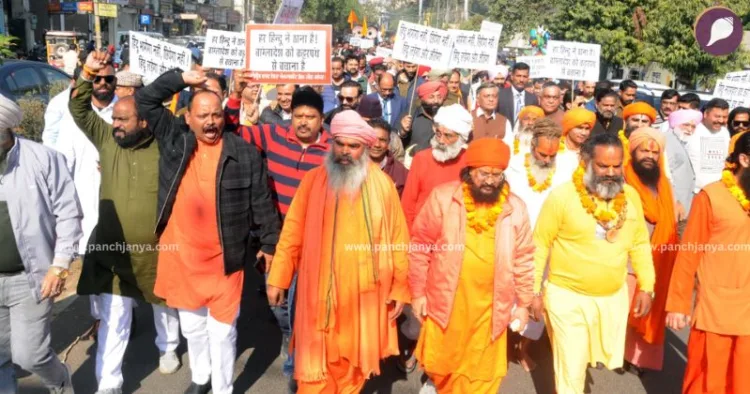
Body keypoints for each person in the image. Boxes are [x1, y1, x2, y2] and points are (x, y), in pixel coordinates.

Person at [137, 67, 281, 394]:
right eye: (203, 116)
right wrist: (181, 79)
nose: (211, 122)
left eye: (216, 114)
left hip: (225, 261)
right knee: (193, 328)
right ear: (188, 118)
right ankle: (200, 378)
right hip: (182, 258)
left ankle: (222, 388)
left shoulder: (244, 153)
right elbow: (145, 100)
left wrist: (269, 244)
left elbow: (261, 203)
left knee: (222, 332)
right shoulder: (175, 140)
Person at [266, 110, 410, 393]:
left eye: (353, 146)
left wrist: (400, 288)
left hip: (363, 297)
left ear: (366, 148)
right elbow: (292, 232)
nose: (345, 151)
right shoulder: (313, 180)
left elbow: (398, 240)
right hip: (317, 294)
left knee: (351, 371)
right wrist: (278, 277)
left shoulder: (383, 186)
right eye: (339, 144)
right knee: (313, 374)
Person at [70, 52, 182, 394]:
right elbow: (79, 109)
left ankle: (168, 348)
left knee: (164, 306)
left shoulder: (164, 146)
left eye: (123, 120)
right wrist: (89, 71)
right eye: (115, 119)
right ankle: (109, 382)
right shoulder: (106, 140)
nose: (116, 124)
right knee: (114, 318)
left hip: (156, 251)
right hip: (113, 253)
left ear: (144, 122)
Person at [532, 133, 655, 394]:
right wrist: (532, 292)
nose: (610, 172)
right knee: (571, 367)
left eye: (616, 165)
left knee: (590, 359)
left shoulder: (630, 196)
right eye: (602, 165)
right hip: (567, 298)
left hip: (611, 299)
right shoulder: (562, 197)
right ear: (585, 162)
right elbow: (540, 244)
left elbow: (640, 244)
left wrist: (647, 286)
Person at [408, 138, 534, 393]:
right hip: (447, 303)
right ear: (469, 172)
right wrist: (418, 293)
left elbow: (524, 258)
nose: (490, 181)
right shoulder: (444, 198)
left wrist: (523, 305)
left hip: (491, 308)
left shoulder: (515, 208)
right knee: (442, 366)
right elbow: (420, 245)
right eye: (484, 173)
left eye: (497, 175)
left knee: (483, 376)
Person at [0, 94, 80, 394]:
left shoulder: (43, 159)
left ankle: (60, 381)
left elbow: (69, 214)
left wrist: (59, 267)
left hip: (31, 278)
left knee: (29, 355)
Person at [666, 131, 750, 394]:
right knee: (709, 381)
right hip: (717, 308)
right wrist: (678, 304)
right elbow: (689, 253)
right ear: (745, 159)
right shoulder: (711, 196)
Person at [622, 128, 679, 375]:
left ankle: (637, 358)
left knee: (645, 308)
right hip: (626, 256)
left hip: (656, 257)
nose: (649, 155)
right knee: (622, 309)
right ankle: (614, 353)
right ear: (633, 151)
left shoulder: (664, 184)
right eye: (644, 150)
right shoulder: (621, 177)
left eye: (655, 152)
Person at [401, 104, 471, 229]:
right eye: (438, 133)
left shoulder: (469, 161)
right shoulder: (421, 159)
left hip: (455, 232)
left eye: (448, 135)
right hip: (422, 231)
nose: (441, 141)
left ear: (461, 138)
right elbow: (408, 203)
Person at [665, 109, 702, 236]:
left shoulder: (681, 142)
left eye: (693, 126)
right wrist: (675, 200)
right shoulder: (667, 141)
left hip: (683, 203)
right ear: (675, 124)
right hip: (674, 204)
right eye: (686, 125)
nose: (690, 129)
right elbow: (666, 175)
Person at [398, 80, 448, 156]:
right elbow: (397, 143)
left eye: (439, 97)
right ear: (422, 99)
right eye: (431, 97)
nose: (436, 101)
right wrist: (403, 132)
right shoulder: (410, 115)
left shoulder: (448, 116)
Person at [369, 118, 408, 196]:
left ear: (389, 142)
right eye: (372, 139)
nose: (377, 144)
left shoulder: (401, 172)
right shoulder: (352, 167)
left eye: (382, 140)